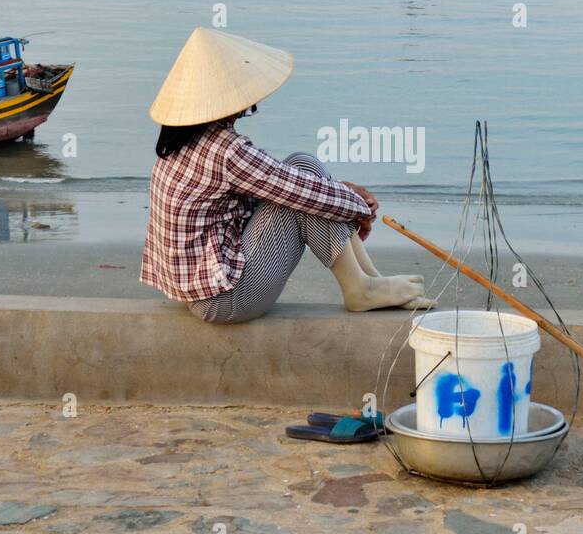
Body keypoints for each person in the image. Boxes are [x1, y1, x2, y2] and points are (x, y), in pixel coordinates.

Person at [140, 27, 431, 324]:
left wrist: (345, 194)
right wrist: (358, 207)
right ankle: (361, 289)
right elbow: (301, 193)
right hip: (224, 299)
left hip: (202, 288)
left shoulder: (178, 144)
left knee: (302, 167)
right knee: (306, 190)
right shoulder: (225, 150)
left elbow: (275, 183)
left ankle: (369, 280)